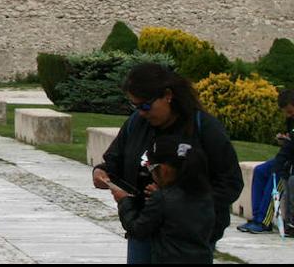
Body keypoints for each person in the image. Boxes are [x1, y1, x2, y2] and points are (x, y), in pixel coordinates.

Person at [92, 63, 243, 263]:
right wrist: (101, 172)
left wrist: (175, 204)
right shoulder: (137, 123)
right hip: (143, 228)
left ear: (168, 95)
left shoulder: (204, 128)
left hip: (187, 240)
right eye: (135, 106)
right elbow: (115, 160)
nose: (142, 112)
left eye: (145, 106)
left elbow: (230, 183)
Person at [110, 135, 216, 264]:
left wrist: (124, 201)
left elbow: (138, 229)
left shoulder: (162, 199)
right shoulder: (206, 195)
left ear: (165, 170)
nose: (152, 175)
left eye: (152, 169)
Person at [236, 88, 294, 233]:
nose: (288, 115)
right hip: (286, 156)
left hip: (289, 162)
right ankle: (256, 217)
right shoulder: (291, 119)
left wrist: (287, 145)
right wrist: (286, 139)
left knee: (276, 177)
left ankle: (263, 221)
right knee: (260, 171)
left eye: (290, 111)